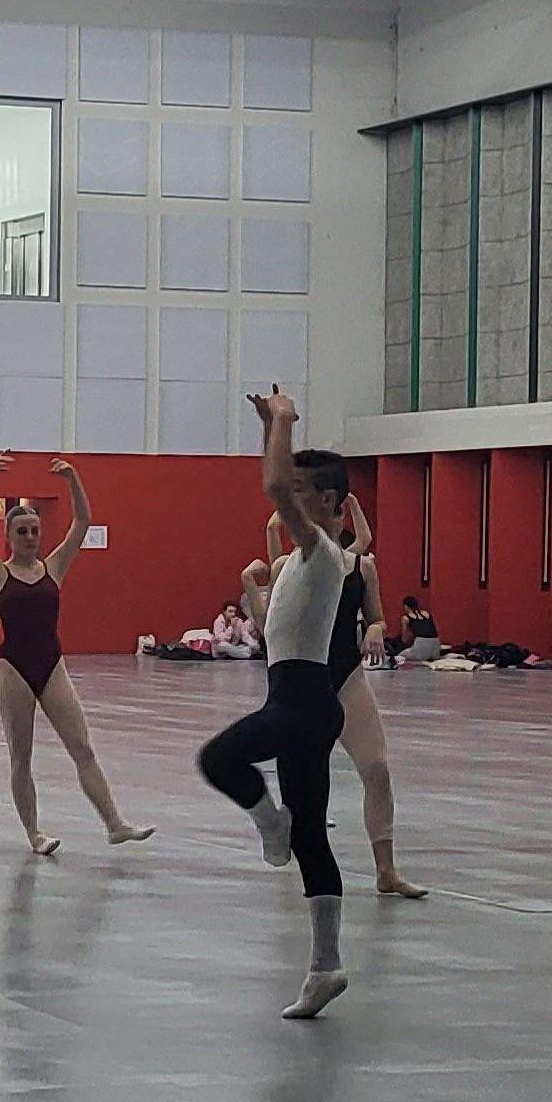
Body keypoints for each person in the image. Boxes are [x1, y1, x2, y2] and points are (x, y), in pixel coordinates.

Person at [198, 389, 353, 1018]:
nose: (288, 496)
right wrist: (273, 430)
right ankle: (326, 966)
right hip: (299, 696)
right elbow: (273, 634)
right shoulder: (298, 562)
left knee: (218, 760)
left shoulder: (324, 553)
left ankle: (270, 822)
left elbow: (271, 487)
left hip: (303, 702)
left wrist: (285, 421)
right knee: (314, 839)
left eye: (301, 491)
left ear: (328, 505)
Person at [0, 454, 153, 857]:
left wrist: (73, 479)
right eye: (23, 531)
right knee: (22, 757)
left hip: (52, 665)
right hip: (13, 668)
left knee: (82, 747)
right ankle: (34, 834)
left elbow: (81, 523)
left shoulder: (54, 568)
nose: (31, 537)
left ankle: (115, 824)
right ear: (10, 537)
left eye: (34, 530)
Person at [272, 491, 425, 899]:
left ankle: (386, 870)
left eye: (337, 515)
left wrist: (375, 630)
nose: (330, 523)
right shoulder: (288, 568)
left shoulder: (361, 567)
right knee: (305, 781)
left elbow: (376, 618)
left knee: (377, 769)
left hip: (347, 678)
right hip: (305, 684)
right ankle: (302, 856)